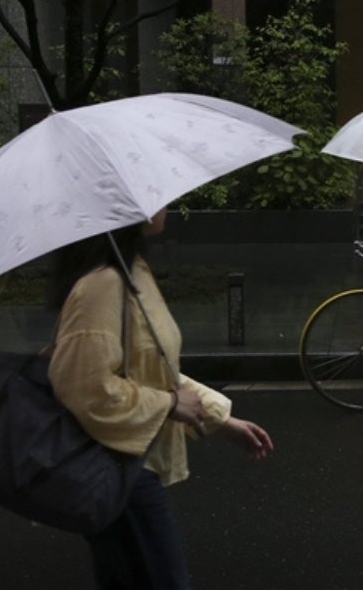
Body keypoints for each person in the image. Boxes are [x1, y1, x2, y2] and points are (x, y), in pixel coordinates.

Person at [47, 206, 274, 589]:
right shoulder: (102, 285)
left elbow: (153, 368)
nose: (166, 204)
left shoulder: (132, 271)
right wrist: (169, 404)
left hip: (133, 461)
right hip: (117, 470)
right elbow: (84, 387)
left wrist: (220, 420)